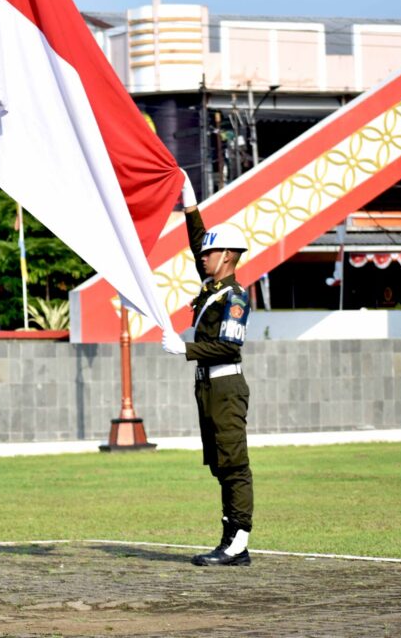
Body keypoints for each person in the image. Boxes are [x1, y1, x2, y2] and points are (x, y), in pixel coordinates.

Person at [162, 172, 255, 567]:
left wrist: (185, 349)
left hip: (226, 386)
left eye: (210, 253)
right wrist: (190, 206)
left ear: (227, 256)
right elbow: (199, 241)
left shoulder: (234, 297)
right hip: (207, 388)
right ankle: (229, 537)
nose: (202, 256)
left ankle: (238, 542)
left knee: (234, 464)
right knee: (219, 464)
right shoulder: (212, 288)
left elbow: (229, 345)